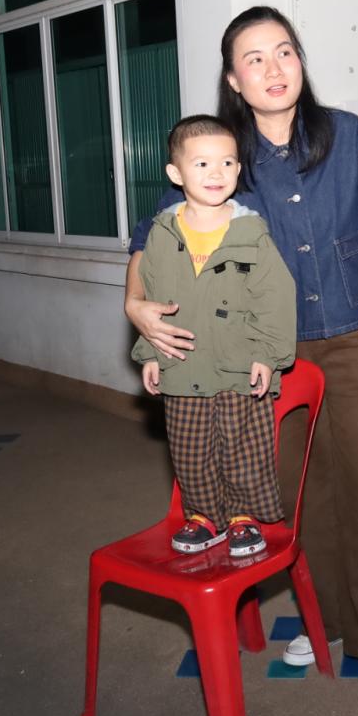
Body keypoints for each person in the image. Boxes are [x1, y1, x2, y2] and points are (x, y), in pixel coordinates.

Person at [126, 6, 358, 693]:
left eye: (284, 51)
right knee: (301, 495)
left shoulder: (351, 138)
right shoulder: (219, 155)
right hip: (268, 352)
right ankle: (326, 623)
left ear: (300, 61)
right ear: (233, 80)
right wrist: (134, 302)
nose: (273, 68)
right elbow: (152, 236)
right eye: (255, 58)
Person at [132, 115, 296, 558]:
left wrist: (268, 354)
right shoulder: (162, 232)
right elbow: (150, 296)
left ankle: (243, 517)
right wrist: (150, 353)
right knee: (189, 449)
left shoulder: (251, 232)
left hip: (239, 366)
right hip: (182, 363)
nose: (216, 173)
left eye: (227, 162)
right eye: (202, 164)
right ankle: (204, 516)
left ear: (239, 170)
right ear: (176, 173)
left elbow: (276, 297)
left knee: (245, 447)